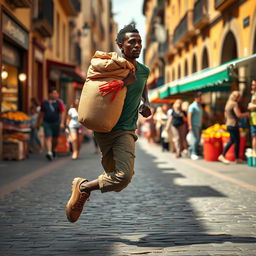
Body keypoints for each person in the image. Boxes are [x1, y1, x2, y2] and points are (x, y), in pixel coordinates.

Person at [65, 23, 151, 223]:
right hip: (104, 129)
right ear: (121, 45)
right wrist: (122, 82)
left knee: (122, 177)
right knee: (116, 179)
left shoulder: (144, 70)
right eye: (132, 42)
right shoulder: (112, 66)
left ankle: (83, 188)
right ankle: (82, 188)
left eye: (140, 42)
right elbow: (98, 90)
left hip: (126, 130)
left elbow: (143, 83)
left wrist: (146, 102)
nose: (137, 46)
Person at [218, 91, 249, 164]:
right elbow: (238, 115)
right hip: (233, 124)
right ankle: (223, 155)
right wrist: (247, 114)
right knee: (233, 141)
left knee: (236, 141)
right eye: (239, 97)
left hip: (228, 124)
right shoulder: (234, 104)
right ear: (236, 97)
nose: (240, 99)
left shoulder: (228, 103)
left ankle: (236, 158)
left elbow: (225, 115)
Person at [37, 87, 65, 161]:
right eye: (54, 93)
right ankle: (49, 152)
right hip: (46, 122)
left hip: (56, 122)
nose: (56, 95)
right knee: (48, 137)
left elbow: (62, 112)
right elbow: (41, 113)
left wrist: (62, 122)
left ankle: (53, 150)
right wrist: (38, 122)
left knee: (55, 139)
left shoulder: (59, 102)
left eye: (57, 93)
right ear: (50, 94)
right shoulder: (44, 102)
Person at [187, 92, 203, 160]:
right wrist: (190, 125)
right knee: (195, 140)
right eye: (200, 98)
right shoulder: (192, 106)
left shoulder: (199, 106)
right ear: (196, 98)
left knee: (197, 140)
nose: (201, 99)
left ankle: (190, 150)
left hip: (198, 125)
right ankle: (193, 153)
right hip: (194, 125)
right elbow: (189, 116)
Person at [248, 80, 256, 155]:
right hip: (253, 120)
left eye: (254, 85)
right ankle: (254, 152)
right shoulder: (253, 94)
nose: (252, 86)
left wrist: (252, 106)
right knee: (253, 136)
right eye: (252, 85)